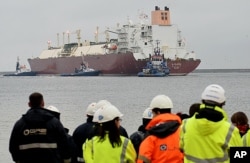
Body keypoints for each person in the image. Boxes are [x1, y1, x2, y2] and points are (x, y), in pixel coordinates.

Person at [180, 84, 243, 163]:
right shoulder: (231, 130)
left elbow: (181, 148)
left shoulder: (185, 124)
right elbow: (241, 158)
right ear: (222, 104)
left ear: (202, 101)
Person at [9, 92, 71, 163]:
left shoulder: (20, 124)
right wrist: (66, 159)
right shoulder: (54, 122)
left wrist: (17, 160)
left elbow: (13, 146)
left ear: (29, 104)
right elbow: (64, 143)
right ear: (43, 103)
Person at [137, 95, 183, 163]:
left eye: (153, 113)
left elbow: (143, 160)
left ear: (158, 112)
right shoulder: (182, 131)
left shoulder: (151, 136)